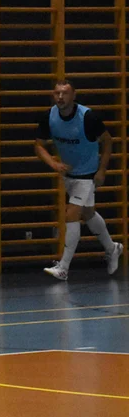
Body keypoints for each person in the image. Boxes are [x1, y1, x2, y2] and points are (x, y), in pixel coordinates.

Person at [34, 80, 122, 280]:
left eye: (65, 93)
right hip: (69, 175)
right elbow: (38, 145)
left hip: (87, 174)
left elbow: (108, 141)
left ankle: (64, 267)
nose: (60, 97)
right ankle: (112, 247)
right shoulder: (50, 117)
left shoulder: (88, 117)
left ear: (74, 96)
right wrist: (53, 164)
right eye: (57, 93)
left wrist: (102, 170)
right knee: (88, 214)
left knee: (71, 214)